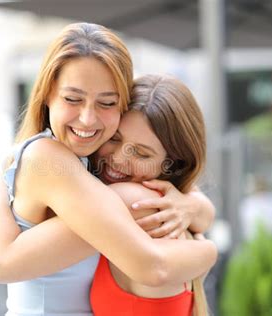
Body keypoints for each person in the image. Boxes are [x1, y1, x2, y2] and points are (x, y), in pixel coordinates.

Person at [0, 22, 217, 315]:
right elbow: (153, 266)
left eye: (106, 103)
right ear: (46, 94)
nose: (87, 119)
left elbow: (198, 205)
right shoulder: (51, 158)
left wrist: (191, 208)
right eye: (72, 99)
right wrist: (209, 250)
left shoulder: (92, 160)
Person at [90, 74, 210, 316]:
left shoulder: (129, 199)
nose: (118, 159)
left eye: (142, 154)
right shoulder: (174, 205)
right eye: (114, 138)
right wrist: (197, 208)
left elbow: (8, 262)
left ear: (172, 165)